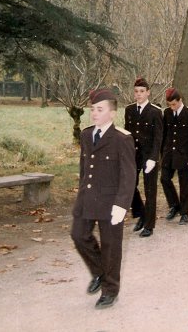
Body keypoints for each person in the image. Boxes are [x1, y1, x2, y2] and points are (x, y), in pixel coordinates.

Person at [71, 89, 136, 309]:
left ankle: (110, 290)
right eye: (93, 109)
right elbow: (84, 168)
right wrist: (81, 194)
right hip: (87, 198)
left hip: (111, 202)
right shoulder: (86, 135)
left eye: (100, 109)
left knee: (111, 247)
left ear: (112, 113)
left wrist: (122, 204)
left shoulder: (122, 139)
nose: (94, 113)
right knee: (78, 235)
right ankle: (99, 272)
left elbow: (128, 175)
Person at [124, 77, 163, 237]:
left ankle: (149, 225)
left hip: (149, 155)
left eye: (142, 91)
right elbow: (127, 133)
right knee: (129, 185)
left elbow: (158, 138)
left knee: (150, 190)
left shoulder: (155, 111)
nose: (139, 94)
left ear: (148, 93)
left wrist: (153, 158)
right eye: (136, 91)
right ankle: (141, 213)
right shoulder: (129, 110)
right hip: (134, 154)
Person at [160, 88, 188, 225]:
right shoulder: (167, 113)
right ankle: (174, 205)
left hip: (184, 155)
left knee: (185, 184)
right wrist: (162, 153)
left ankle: (185, 213)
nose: (172, 107)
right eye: (169, 105)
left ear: (180, 100)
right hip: (169, 154)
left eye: (174, 104)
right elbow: (165, 134)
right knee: (164, 179)